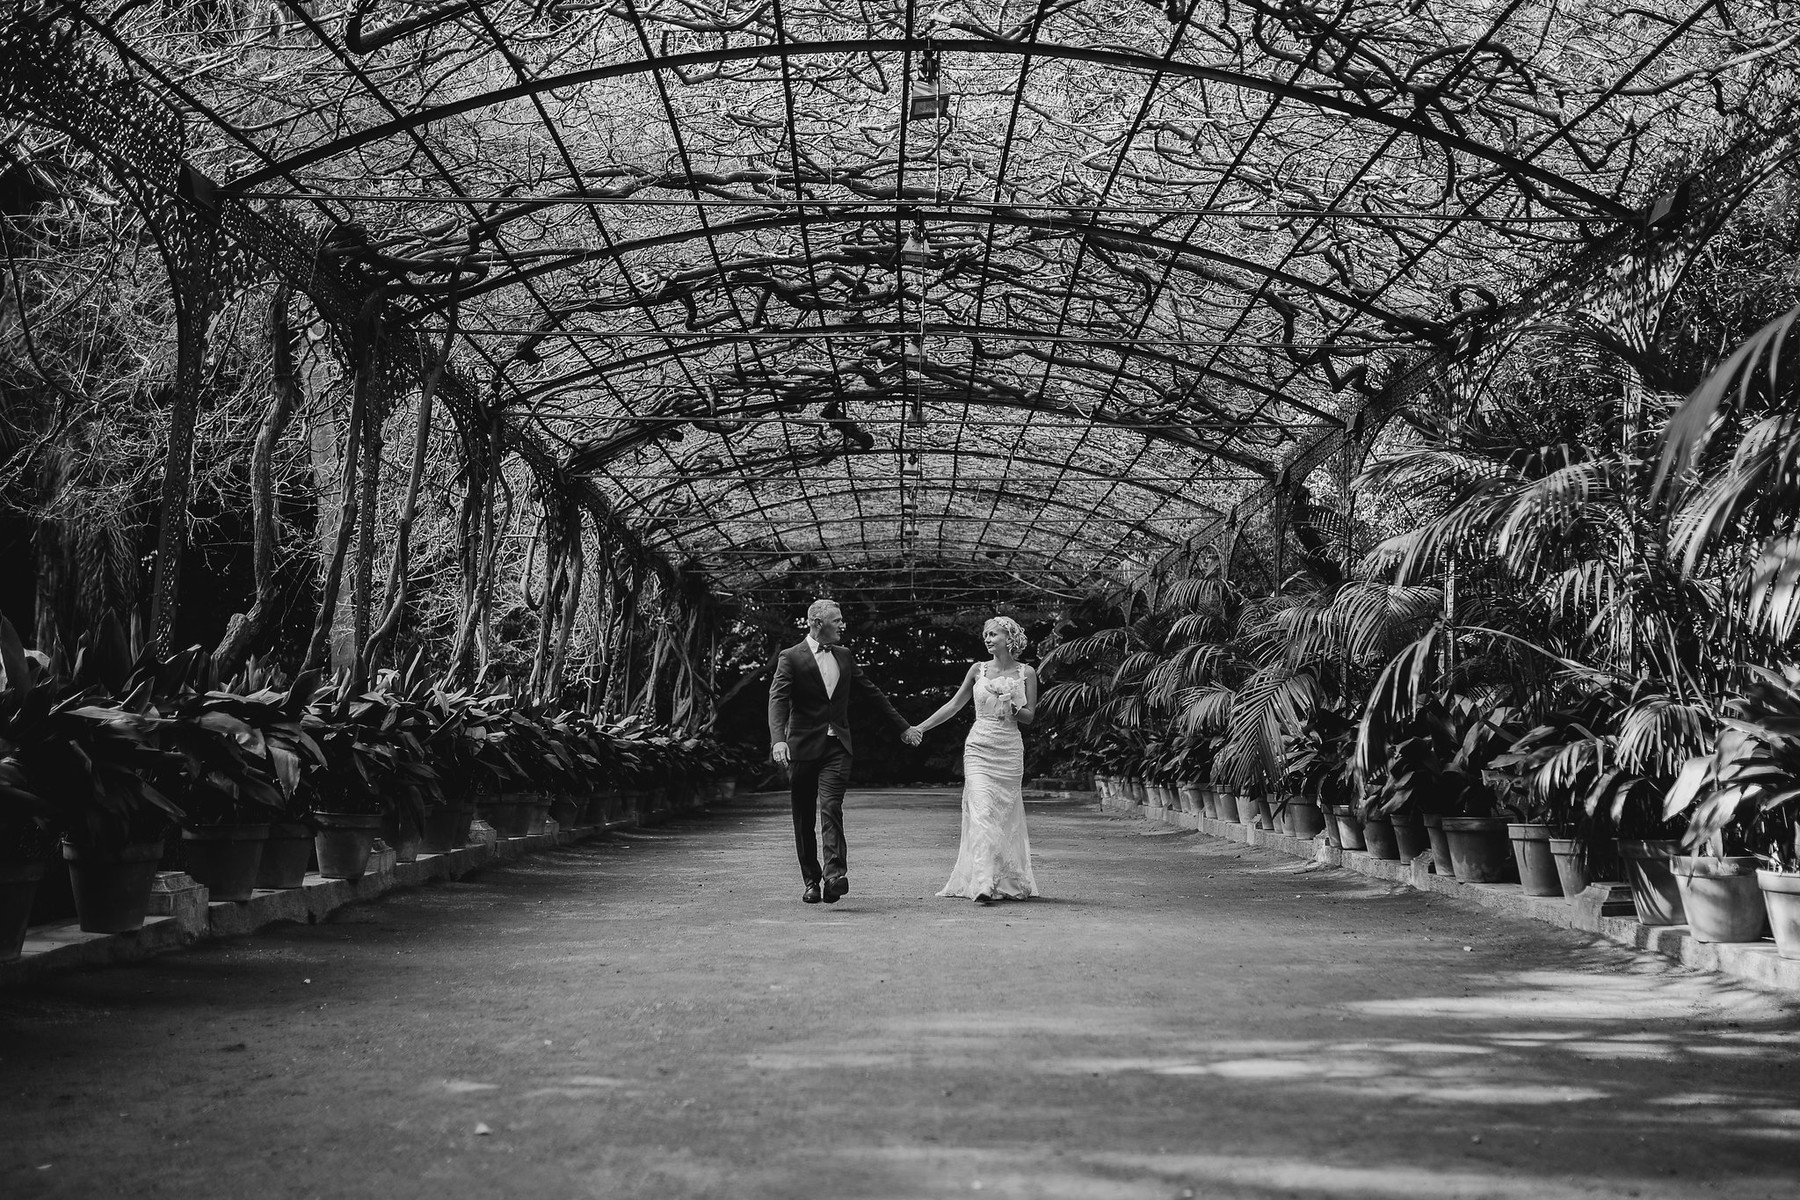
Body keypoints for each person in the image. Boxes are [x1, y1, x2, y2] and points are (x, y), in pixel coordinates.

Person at [768, 599, 914, 905]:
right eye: (837, 620)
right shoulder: (791, 657)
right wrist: (778, 740)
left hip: (838, 746)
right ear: (818, 624)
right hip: (802, 747)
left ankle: (834, 876)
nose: (842, 625)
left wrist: (902, 727)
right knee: (803, 816)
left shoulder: (845, 656)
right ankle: (811, 879)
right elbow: (778, 700)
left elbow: (871, 692)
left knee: (831, 807)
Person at [907, 616, 1040, 903]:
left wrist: (1011, 703)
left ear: (1009, 638)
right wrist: (920, 727)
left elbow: (1029, 717)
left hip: (1008, 751)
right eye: (986, 634)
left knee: (1004, 818)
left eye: (994, 634)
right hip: (979, 747)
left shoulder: (1026, 672)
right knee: (981, 812)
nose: (988, 639)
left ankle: (1003, 879)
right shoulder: (977, 670)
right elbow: (954, 705)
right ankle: (982, 882)